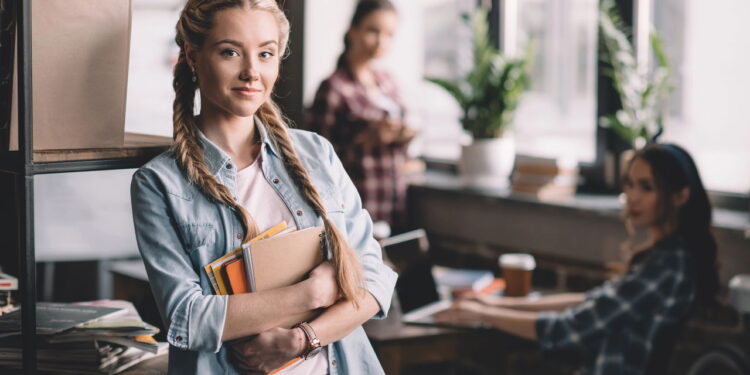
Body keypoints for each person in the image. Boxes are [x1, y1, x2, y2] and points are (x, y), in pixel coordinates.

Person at [129, 1, 397, 374]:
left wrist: (303, 339)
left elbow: (375, 276)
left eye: (266, 54)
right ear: (193, 56)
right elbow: (187, 318)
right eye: (230, 52)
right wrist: (311, 293)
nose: (252, 72)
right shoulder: (159, 184)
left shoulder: (316, 153)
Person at [435, 143, 719, 375]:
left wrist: (484, 314)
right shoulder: (664, 257)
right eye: (629, 185)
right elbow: (592, 302)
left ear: (681, 196)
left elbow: (570, 328)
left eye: (646, 187)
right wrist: (496, 303)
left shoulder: (667, 267)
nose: (632, 197)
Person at [306, 0, 416, 233]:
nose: (381, 41)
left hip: (393, 201)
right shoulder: (333, 88)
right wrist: (365, 140)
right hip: (356, 204)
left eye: (389, 34)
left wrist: (404, 135)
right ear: (353, 31)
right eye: (373, 31)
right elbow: (313, 161)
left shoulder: (388, 82)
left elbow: (402, 151)